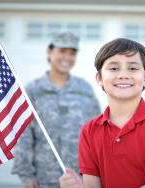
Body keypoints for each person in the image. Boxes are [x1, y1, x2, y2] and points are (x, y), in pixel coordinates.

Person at [58, 38, 145, 188]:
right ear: (99, 78)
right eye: (114, 68)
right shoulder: (89, 131)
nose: (123, 75)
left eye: (133, 68)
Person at [12, 32, 101, 188]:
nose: (67, 57)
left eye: (72, 53)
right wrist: (26, 174)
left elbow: (98, 132)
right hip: (43, 179)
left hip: (79, 179)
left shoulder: (84, 89)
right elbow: (23, 134)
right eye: (62, 51)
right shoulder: (33, 90)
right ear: (49, 52)